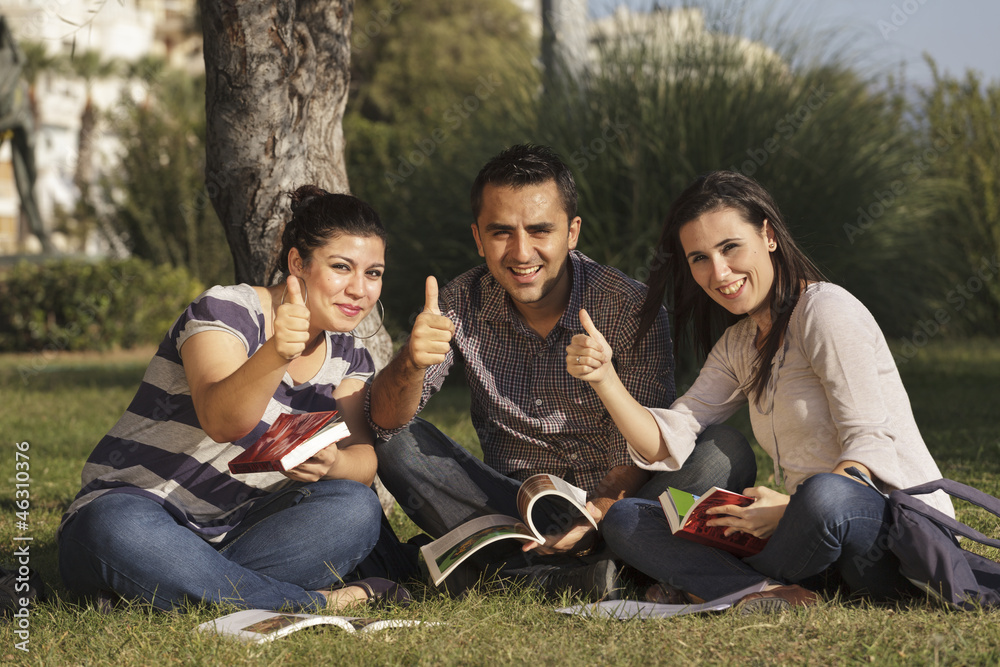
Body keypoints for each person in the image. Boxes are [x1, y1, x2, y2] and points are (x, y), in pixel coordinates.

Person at [367, 145, 756, 600]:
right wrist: (411, 364)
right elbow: (385, 420)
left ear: (572, 232)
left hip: (624, 505)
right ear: (478, 238)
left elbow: (652, 440)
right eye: (501, 232)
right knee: (396, 444)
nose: (520, 251)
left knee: (723, 451)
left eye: (539, 230)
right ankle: (608, 572)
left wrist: (598, 512)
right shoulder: (459, 301)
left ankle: (531, 575)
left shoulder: (630, 306)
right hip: (514, 509)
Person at [567, 170, 954, 611]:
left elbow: (869, 445)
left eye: (730, 247)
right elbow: (668, 437)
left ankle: (716, 583)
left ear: (768, 235)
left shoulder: (825, 311)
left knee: (824, 495)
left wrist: (789, 510)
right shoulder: (739, 345)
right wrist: (604, 378)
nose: (719, 272)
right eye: (699, 258)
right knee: (627, 518)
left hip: (888, 531)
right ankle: (765, 592)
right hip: (811, 541)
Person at [58, 186, 411, 612]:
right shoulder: (226, 311)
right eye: (341, 267)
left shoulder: (350, 356)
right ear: (298, 263)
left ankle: (169, 588)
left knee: (355, 507)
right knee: (114, 527)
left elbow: (363, 459)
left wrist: (334, 463)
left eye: (373, 273)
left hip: (235, 534)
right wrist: (277, 351)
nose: (359, 289)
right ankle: (310, 604)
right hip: (137, 510)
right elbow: (221, 419)